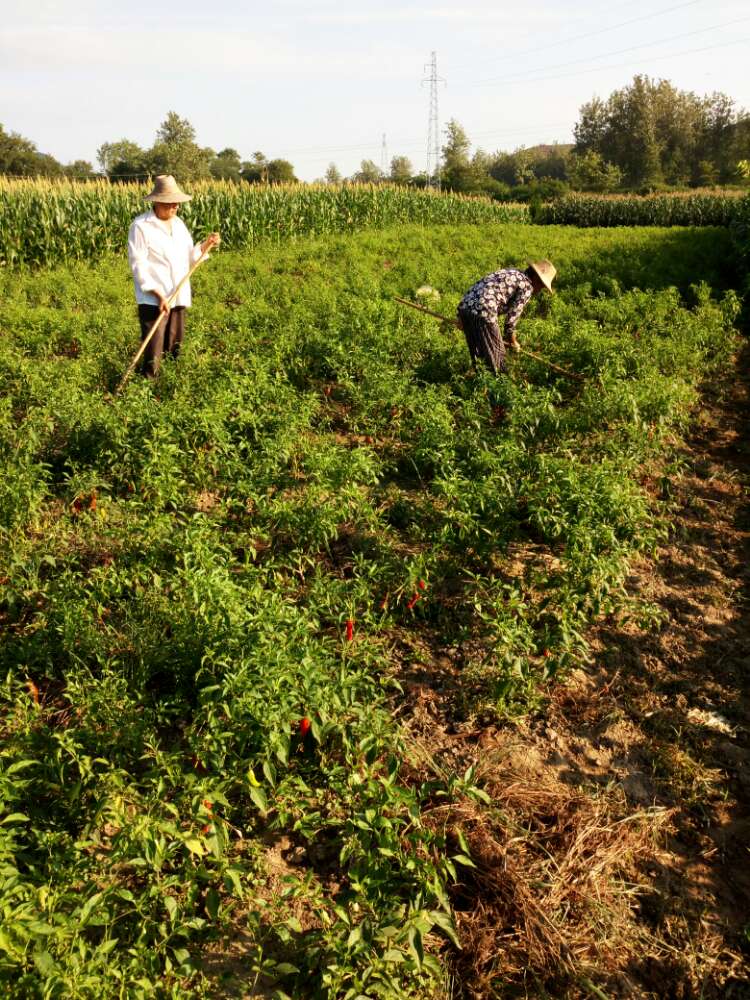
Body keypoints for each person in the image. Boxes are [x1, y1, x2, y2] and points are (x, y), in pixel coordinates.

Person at [127, 175, 220, 377]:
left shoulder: (179, 225)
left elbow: (189, 257)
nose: (175, 207)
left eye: (177, 203)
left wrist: (206, 245)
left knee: (174, 347)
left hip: (178, 295)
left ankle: (168, 390)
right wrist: (158, 294)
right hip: (154, 300)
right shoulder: (141, 226)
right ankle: (148, 390)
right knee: (154, 351)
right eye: (170, 203)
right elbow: (138, 264)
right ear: (158, 202)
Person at [456, 259, 556, 377]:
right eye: (541, 286)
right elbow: (512, 319)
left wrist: (461, 316)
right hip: (485, 311)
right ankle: (497, 389)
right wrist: (513, 341)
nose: (539, 290)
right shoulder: (527, 286)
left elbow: (478, 286)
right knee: (499, 361)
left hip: (466, 307)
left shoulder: (511, 272)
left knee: (479, 352)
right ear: (536, 279)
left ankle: (478, 381)